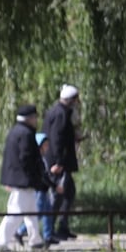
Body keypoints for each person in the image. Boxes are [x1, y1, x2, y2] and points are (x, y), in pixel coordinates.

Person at [0, 104, 46, 250]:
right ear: (30, 118)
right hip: (23, 180)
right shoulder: (26, 134)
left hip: (19, 178)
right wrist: (34, 175)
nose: (36, 120)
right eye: (35, 117)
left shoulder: (17, 131)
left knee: (31, 212)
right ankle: (0, 241)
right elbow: (26, 158)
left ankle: (35, 240)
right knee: (16, 213)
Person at [42, 84, 82, 239]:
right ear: (72, 100)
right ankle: (50, 229)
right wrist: (58, 162)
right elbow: (56, 139)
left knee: (68, 192)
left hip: (60, 161)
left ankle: (62, 226)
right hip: (58, 162)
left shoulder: (58, 111)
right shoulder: (61, 114)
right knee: (58, 194)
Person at [14, 132, 61, 245]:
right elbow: (43, 176)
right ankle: (20, 231)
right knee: (38, 214)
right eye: (45, 145)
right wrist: (54, 186)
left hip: (44, 190)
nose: (47, 147)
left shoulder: (42, 158)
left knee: (48, 213)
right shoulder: (37, 159)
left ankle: (48, 235)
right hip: (39, 191)